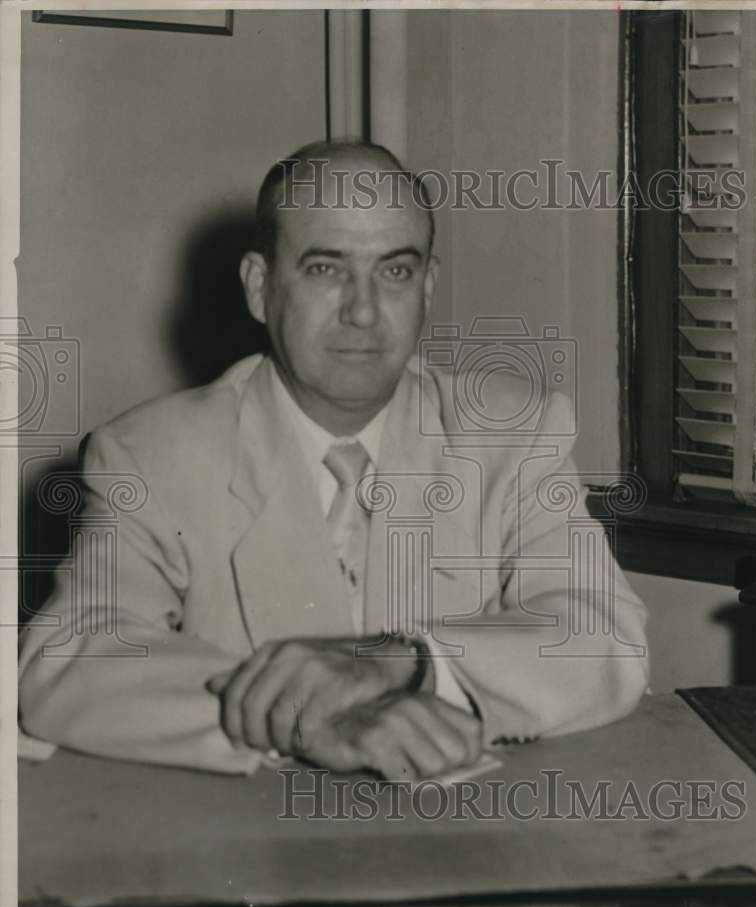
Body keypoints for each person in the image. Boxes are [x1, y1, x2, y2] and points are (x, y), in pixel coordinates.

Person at [18, 140, 649, 780]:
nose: (364, 311)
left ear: (428, 287)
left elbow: (604, 637)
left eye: (395, 272)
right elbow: (72, 659)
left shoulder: (513, 433)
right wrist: (306, 717)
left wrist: (401, 662)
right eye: (326, 269)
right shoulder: (150, 456)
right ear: (261, 288)